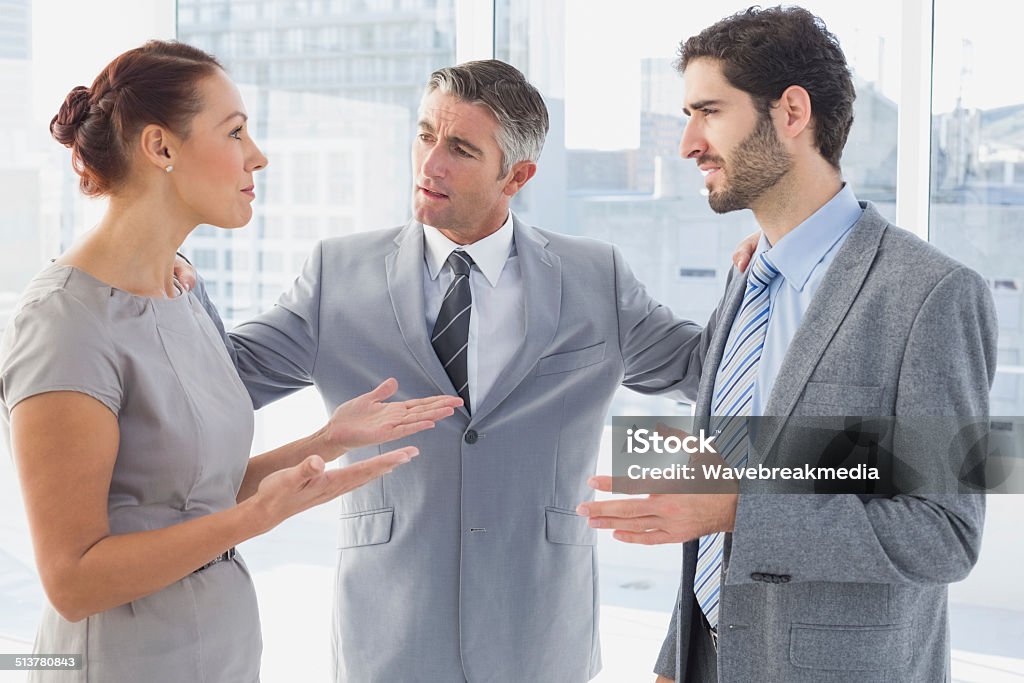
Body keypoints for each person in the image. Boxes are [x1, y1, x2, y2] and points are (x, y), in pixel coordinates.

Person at [177, 59, 759, 681]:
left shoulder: (596, 277)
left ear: (518, 175)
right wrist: (170, 273)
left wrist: (762, 275)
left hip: (539, 634)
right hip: (390, 632)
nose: (431, 164)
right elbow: (220, 384)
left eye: (459, 148)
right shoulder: (336, 275)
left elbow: (711, 372)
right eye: (426, 134)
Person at [0, 40, 461, 683]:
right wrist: (258, 518)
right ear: (160, 148)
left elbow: (190, 496)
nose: (258, 156)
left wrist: (327, 441)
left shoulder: (182, 288)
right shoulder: (62, 323)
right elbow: (72, 580)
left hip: (220, 650)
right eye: (236, 131)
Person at [575, 7, 998, 682]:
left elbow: (944, 533)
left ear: (791, 111)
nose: (687, 143)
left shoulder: (931, 295)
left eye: (708, 111)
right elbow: (719, 496)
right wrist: (677, 657)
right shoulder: (748, 278)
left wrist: (738, 506)